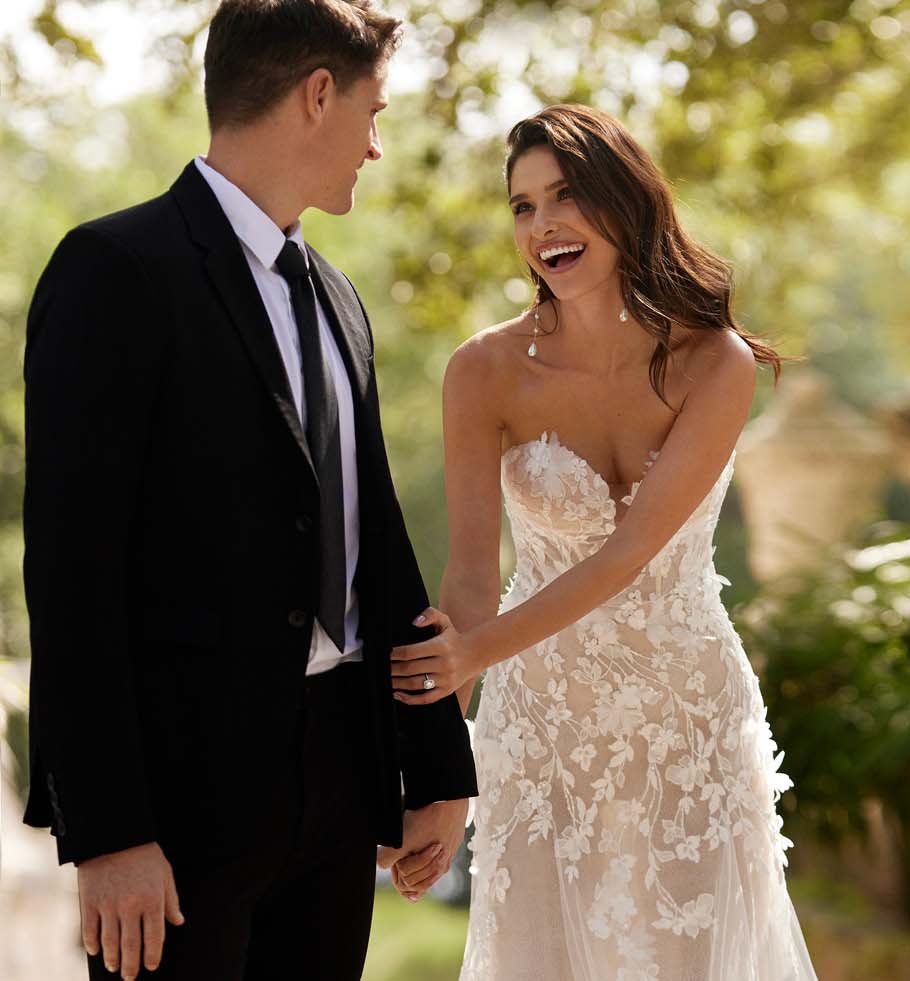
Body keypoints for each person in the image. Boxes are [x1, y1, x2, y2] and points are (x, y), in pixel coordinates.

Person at [21, 2, 475, 978]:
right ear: (319, 96)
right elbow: (71, 577)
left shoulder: (338, 297)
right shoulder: (115, 271)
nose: (377, 146)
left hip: (340, 787)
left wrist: (436, 766)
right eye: (373, 112)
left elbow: (376, 546)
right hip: (178, 814)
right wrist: (107, 834)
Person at [385, 103, 818, 979]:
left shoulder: (716, 362)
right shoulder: (483, 370)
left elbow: (631, 556)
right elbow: (470, 574)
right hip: (539, 729)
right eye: (522, 206)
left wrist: (472, 655)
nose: (543, 225)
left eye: (567, 195)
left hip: (688, 722)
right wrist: (440, 772)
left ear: (626, 201)